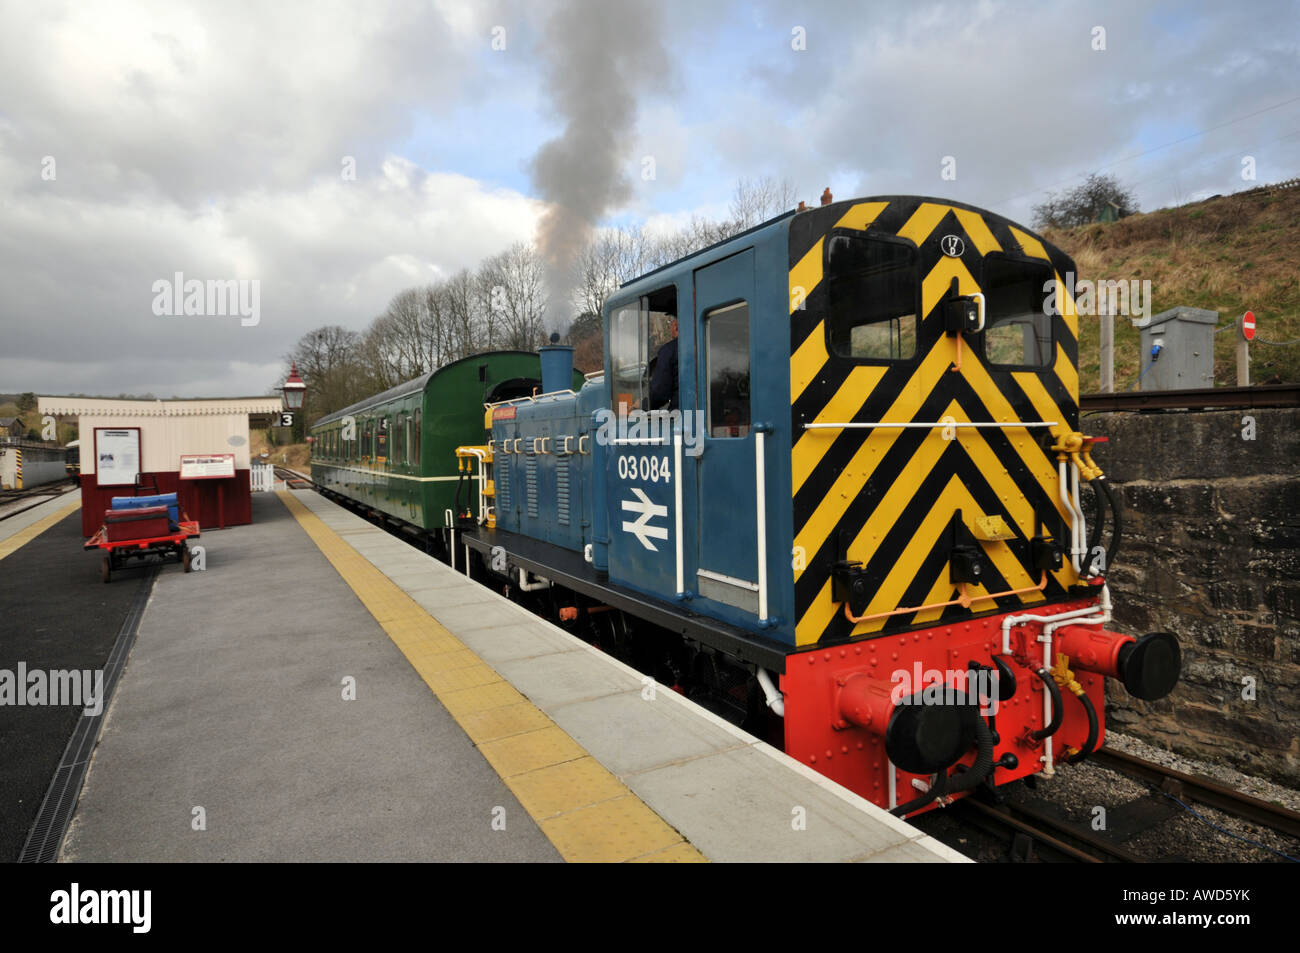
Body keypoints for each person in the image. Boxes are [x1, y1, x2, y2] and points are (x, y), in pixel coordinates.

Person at [649, 313, 678, 410]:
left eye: (670, 322)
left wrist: (642, 403)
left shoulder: (669, 351)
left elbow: (659, 394)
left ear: (675, 326)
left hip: (680, 416)